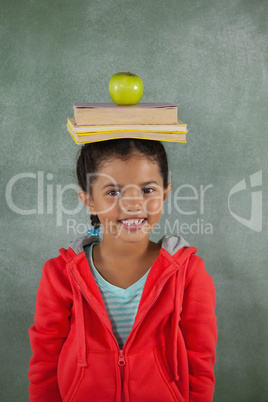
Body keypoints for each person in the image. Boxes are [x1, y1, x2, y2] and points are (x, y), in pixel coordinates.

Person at [28, 139, 217, 401]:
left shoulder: (189, 274)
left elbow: (201, 363)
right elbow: (45, 364)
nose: (132, 204)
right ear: (88, 200)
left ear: (164, 194)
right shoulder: (60, 275)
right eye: (114, 192)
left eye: (147, 189)